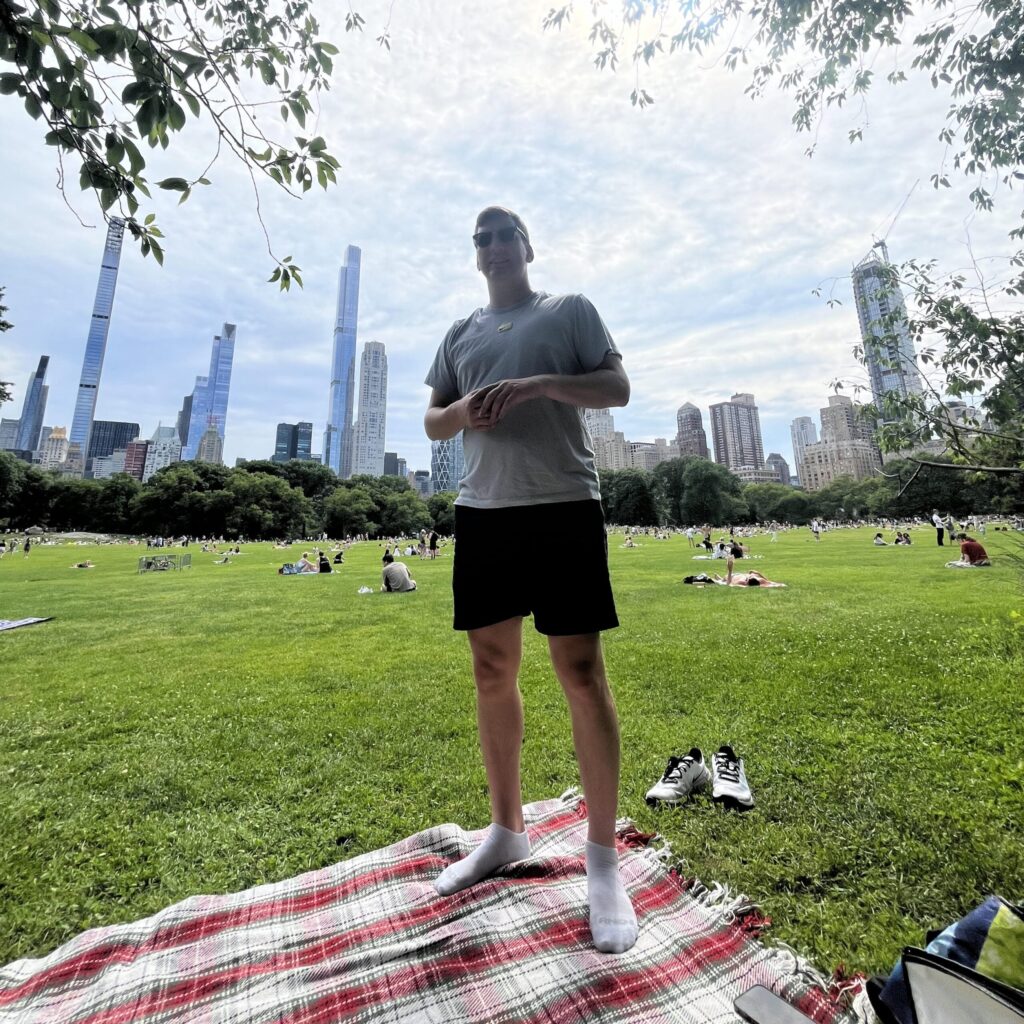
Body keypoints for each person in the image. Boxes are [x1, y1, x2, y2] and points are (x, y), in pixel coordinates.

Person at [423, 205, 635, 954]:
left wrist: (543, 384)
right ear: (475, 255)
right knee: (490, 670)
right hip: (484, 514)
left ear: (526, 246)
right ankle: (506, 830)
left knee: (580, 671)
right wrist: (464, 411)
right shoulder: (460, 335)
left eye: (502, 232)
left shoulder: (569, 311)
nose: (490, 244)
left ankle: (603, 862)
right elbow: (432, 423)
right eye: (478, 236)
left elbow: (616, 387)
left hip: (564, 506)